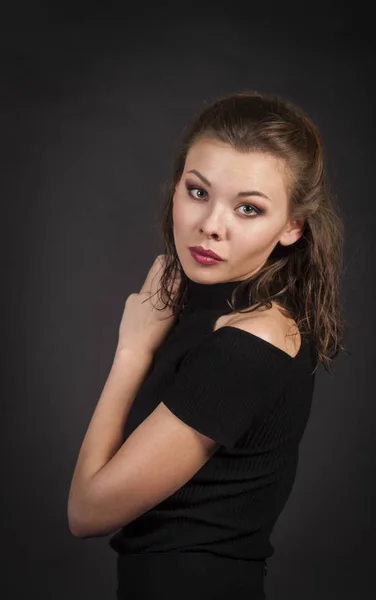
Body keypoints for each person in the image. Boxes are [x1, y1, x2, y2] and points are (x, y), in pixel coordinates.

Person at [68, 90, 348, 599]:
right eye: (198, 192)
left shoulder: (249, 344)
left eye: (248, 208)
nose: (211, 226)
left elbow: (87, 512)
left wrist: (131, 352)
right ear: (176, 189)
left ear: (292, 227)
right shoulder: (208, 312)